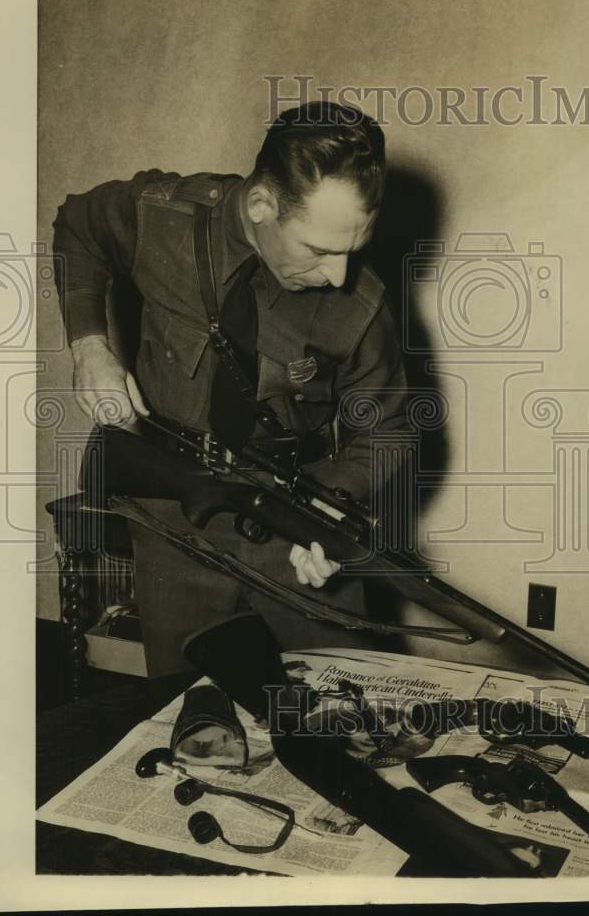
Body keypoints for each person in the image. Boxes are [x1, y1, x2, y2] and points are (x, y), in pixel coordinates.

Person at [53, 101, 408, 674]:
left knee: (348, 695)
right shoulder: (166, 219)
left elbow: (389, 429)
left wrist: (329, 506)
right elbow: (80, 225)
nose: (339, 275)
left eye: (353, 249)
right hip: (173, 520)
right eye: (320, 250)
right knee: (188, 705)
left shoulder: (362, 303)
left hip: (295, 521)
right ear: (262, 205)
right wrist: (89, 346)